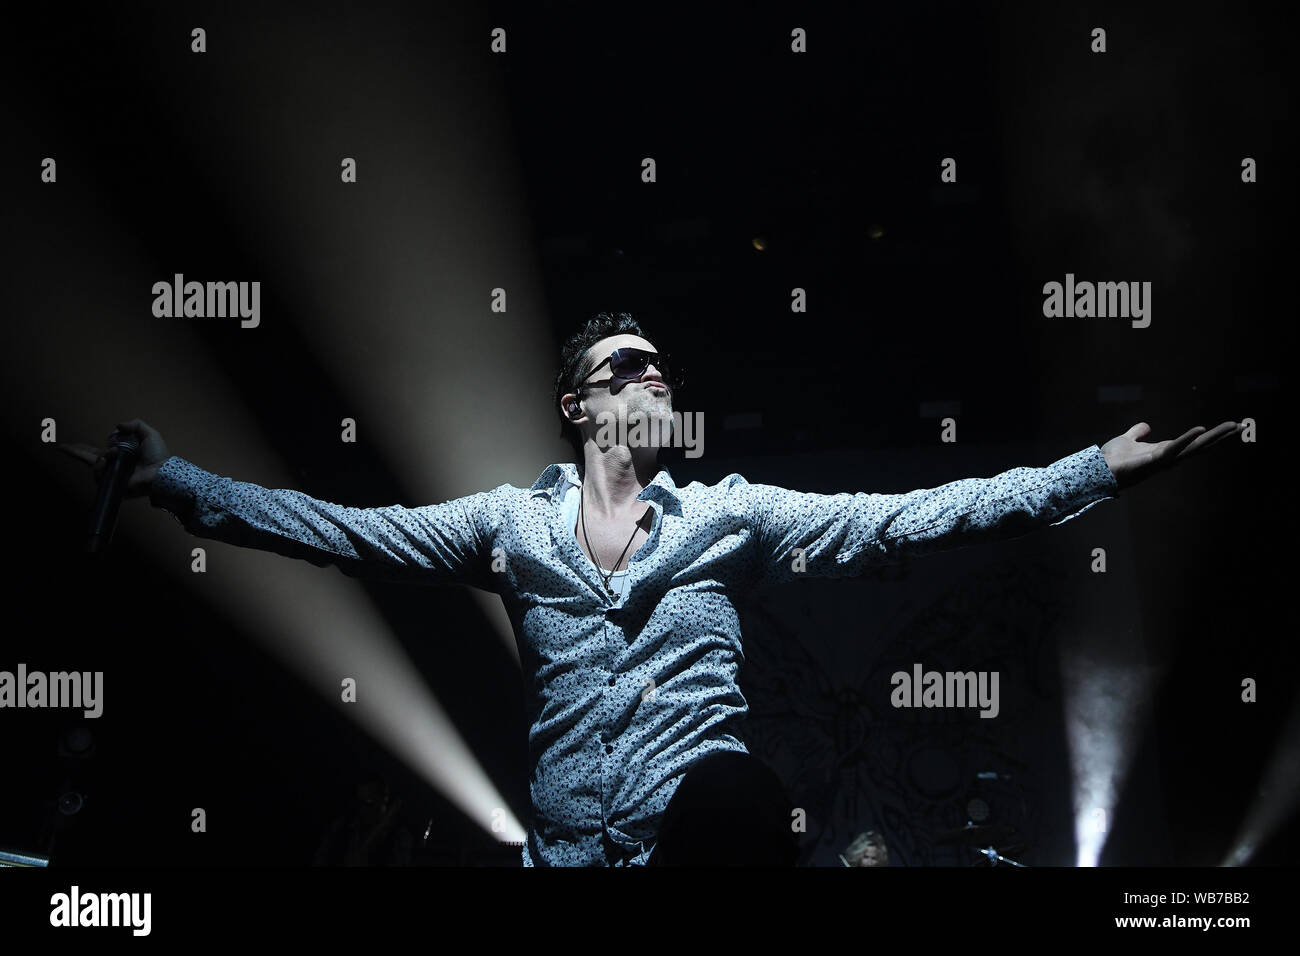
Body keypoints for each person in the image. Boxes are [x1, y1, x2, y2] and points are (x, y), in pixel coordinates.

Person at [57, 311, 1243, 867]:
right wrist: (179, 483)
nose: (654, 375)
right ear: (577, 404)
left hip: (703, 864)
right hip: (566, 861)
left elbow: (916, 516)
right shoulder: (507, 524)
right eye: (629, 366)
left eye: (664, 365)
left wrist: (1096, 470)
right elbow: (343, 533)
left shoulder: (728, 513)